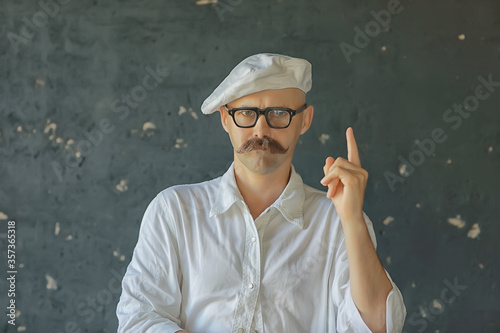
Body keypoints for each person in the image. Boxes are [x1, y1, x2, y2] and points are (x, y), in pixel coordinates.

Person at [116, 53, 406, 333]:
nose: (261, 131)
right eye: (246, 113)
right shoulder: (174, 209)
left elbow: (380, 327)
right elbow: (139, 319)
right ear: (225, 120)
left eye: (279, 113)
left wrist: (353, 219)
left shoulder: (339, 221)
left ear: (305, 120)